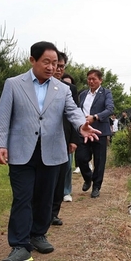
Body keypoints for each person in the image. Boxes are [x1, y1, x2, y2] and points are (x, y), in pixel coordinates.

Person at [0, 41, 100, 261]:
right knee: (22, 197)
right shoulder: (13, 84)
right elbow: (3, 116)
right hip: (22, 150)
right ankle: (20, 246)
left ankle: (38, 234)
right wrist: (0, 144)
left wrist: (82, 125)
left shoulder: (62, 89)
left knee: (45, 196)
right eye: (46, 62)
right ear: (33, 60)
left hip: (52, 150)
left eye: (55, 63)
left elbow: (72, 111)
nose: (52, 67)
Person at [50, 53, 81, 225]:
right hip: (43, 139)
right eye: (57, 65)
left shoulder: (69, 89)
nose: (59, 69)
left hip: (64, 137)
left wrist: (74, 139)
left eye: (62, 66)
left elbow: (74, 114)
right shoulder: (38, 87)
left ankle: (54, 212)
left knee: (61, 174)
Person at [75, 69, 114, 198]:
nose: (91, 81)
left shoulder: (106, 93)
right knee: (81, 158)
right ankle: (88, 177)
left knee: (99, 160)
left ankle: (96, 186)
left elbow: (110, 109)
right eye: (89, 79)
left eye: (94, 79)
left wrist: (95, 117)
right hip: (84, 132)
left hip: (100, 132)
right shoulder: (83, 94)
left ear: (100, 80)